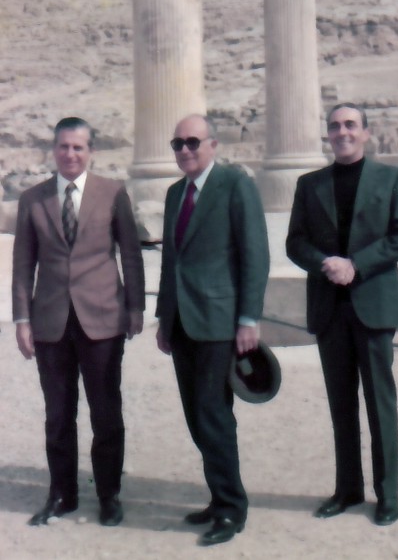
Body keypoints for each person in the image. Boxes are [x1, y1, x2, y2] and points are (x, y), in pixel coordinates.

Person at [12, 117, 145, 527]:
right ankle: (62, 495)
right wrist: (22, 318)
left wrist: (136, 307)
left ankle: (108, 495)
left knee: (106, 412)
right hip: (50, 321)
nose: (70, 154)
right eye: (63, 146)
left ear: (91, 152)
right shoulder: (33, 199)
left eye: (78, 147)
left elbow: (130, 253)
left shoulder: (112, 193)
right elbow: (23, 264)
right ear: (54, 150)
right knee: (58, 414)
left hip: (102, 317)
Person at [286, 102, 398, 526]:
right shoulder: (310, 184)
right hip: (329, 307)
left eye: (351, 125)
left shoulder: (392, 179)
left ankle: (388, 494)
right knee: (341, 405)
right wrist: (326, 263)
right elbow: (295, 242)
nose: (343, 132)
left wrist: (355, 264)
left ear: (365, 132)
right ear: (328, 133)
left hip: (373, 304)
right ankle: (348, 489)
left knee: (380, 404)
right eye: (335, 126)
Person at [156, 114, 269, 547]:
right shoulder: (175, 194)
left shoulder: (235, 185)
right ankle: (218, 495)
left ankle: (230, 509)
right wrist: (164, 318)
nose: (185, 150)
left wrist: (249, 319)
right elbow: (172, 262)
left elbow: (255, 254)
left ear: (213, 145)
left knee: (213, 413)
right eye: (178, 144)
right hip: (183, 322)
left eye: (193, 142)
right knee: (195, 414)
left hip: (220, 321)